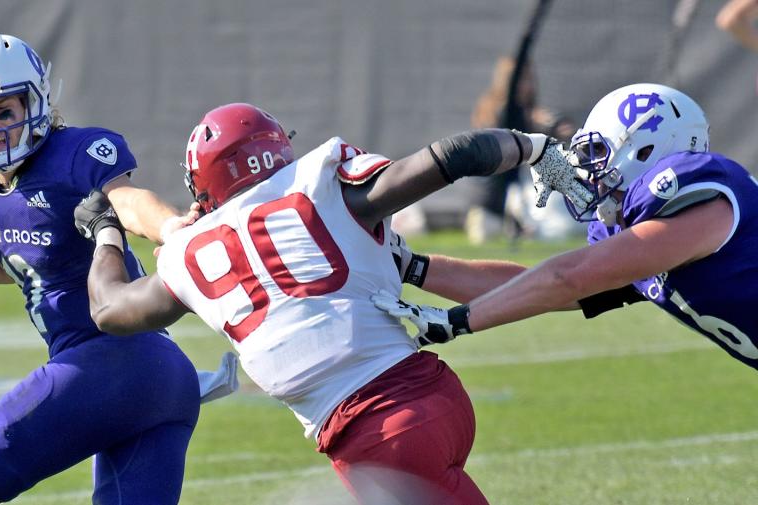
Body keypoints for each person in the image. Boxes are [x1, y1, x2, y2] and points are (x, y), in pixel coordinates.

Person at [75, 102, 591, 504]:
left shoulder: (192, 250)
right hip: (428, 397)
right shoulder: (326, 191)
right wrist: (532, 148)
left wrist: (104, 233)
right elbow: (455, 155)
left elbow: (110, 310)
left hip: (378, 431)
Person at [0, 34, 237, 504]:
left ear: (37, 102)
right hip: (161, 384)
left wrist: (172, 227)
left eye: (4, 112)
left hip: (112, 362)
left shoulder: (74, 155)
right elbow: (5, 258)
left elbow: (125, 202)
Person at [376, 83, 758, 372]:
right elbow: (535, 288)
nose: (587, 169)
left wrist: (459, 321)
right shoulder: (632, 234)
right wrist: (411, 266)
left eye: (598, 152)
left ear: (647, 152)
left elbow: (567, 278)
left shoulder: (703, 200)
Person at [465, 56, 579, 244]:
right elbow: (524, 124)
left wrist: (556, 126)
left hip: (515, 198)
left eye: (530, 79)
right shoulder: (497, 111)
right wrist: (544, 124)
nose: (528, 86)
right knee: (487, 239)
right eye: (522, 79)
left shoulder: (526, 112)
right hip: (489, 203)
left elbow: (547, 125)